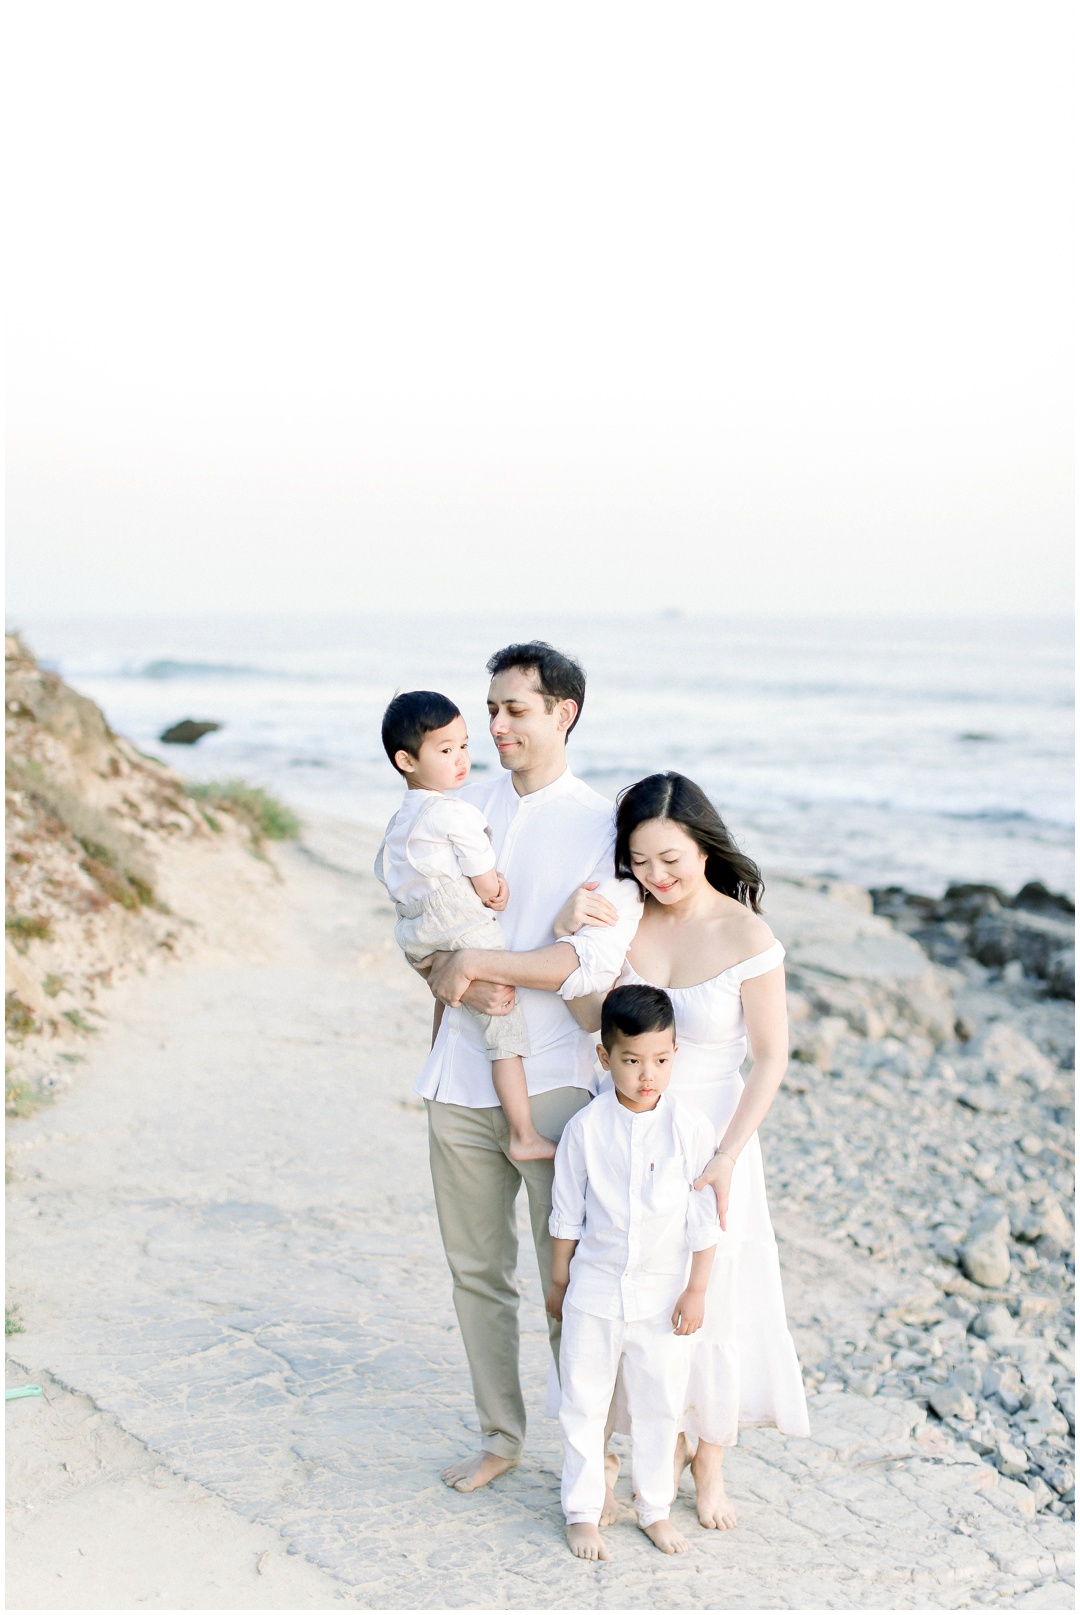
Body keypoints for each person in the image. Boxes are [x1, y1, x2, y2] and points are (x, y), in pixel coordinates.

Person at [558, 772, 810, 1531]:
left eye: (671, 858)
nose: (656, 877)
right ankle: (635, 1451)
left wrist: (729, 1155)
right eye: (639, 862)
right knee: (633, 1285)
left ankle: (710, 1460)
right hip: (628, 1133)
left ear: (704, 842)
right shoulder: (627, 916)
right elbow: (583, 1016)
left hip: (712, 1140)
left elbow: (769, 1058)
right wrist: (577, 930)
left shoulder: (746, 935)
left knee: (713, 1296)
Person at [415, 642, 638, 1496]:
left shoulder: (601, 826)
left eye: (515, 709)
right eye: (493, 709)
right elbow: (427, 928)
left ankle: (595, 1453)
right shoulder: (459, 807)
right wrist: (447, 970)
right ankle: (501, 1435)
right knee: (476, 1273)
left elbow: (588, 966)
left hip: (554, 1084)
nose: (496, 725)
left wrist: (481, 962)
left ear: (563, 714)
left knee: (570, 1285)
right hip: (455, 1077)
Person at [547, 984, 719, 1561]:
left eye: (662, 1060)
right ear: (605, 1058)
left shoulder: (689, 1129)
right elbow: (567, 1214)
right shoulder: (586, 1129)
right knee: (584, 1401)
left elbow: (704, 1219)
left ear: (675, 1055)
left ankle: (655, 1509)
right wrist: (559, 1280)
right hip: (594, 1289)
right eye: (632, 1060)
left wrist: (696, 1289)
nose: (648, 1074)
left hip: (663, 1293)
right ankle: (582, 1511)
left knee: (658, 1405)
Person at [375, 689, 553, 1162]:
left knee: (450, 990)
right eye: (445, 750)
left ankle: (440, 1070)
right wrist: (494, 889)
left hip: (414, 933)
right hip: (458, 923)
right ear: (405, 760)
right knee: (504, 1030)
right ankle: (523, 1132)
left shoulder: (399, 821)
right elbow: (482, 873)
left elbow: (393, 879)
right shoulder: (454, 812)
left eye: (464, 746)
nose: (462, 760)